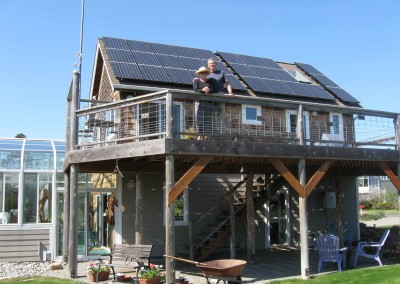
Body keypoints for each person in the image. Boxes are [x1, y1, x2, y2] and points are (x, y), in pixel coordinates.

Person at [193, 66, 213, 140]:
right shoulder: (196, 81)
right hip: (199, 103)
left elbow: (212, 90)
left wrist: (208, 90)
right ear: (199, 74)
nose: (203, 74)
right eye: (201, 73)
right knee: (199, 120)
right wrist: (203, 89)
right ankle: (199, 138)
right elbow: (195, 89)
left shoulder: (209, 82)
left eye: (205, 73)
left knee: (207, 121)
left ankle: (205, 139)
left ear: (207, 74)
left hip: (208, 104)